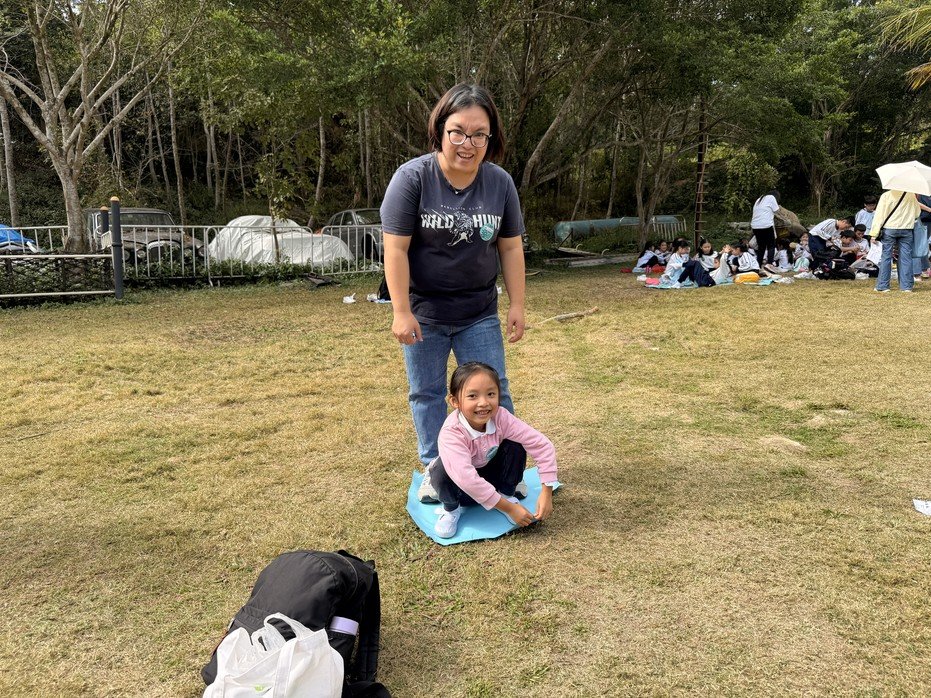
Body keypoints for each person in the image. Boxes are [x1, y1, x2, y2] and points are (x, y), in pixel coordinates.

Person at [380, 83, 529, 502]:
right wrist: (401, 311)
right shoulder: (412, 178)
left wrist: (517, 304)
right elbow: (396, 249)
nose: (468, 144)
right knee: (426, 393)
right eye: (458, 132)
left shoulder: (499, 183)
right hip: (424, 312)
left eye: (479, 135)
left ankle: (504, 467)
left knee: (495, 390)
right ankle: (436, 469)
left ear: (491, 139)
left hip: (478, 311)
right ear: (440, 130)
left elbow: (510, 247)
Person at [430, 362, 557, 539]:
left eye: (490, 394)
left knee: (515, 445)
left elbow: (541, 444)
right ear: (455, 401)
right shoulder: (452, 432)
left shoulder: (501, 417)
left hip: (491, 480)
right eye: (472, 396)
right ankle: (451, 509)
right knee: (441, 468)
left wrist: (547, 491)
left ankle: (506, 493)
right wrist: (510, 509)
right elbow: (466, 478)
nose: (483, 403)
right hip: (462, 490)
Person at [870, 189, 921, 292]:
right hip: (907, 229)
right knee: (906, 258)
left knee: (886, 257)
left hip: (889, 229)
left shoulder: (886, 195)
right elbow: (917, 213)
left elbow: (879, 215)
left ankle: (883, 286)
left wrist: (874, 233)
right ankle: (906, 286)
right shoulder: (911, 195)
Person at [750, 189, 779, 266]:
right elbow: (777, 210)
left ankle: (758, 265)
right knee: (771, 246)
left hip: (755, 226)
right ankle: (769, 265)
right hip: (766, 225)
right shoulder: (772, 197)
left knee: (761, 247)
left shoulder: (759, 199)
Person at [914, 194, 931, 280]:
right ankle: (925, 269)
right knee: (922, 245)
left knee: (918, 245)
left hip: (923, 220)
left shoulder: (920, 192)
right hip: (925, 220)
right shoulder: (923, 192)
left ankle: (918, 273)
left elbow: (915, 202)